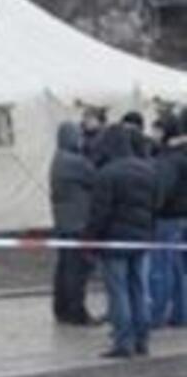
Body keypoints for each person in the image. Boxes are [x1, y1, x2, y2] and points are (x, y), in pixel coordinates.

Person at [90, 125, 157, 359]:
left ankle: (123, 342)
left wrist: (91, 239)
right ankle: (143, 340)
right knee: (139, 289)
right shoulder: (149, 170)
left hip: (115, 241)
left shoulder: (107, 174)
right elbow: (155, 205)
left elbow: (99, 213)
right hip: (142, 239)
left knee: (118, 292)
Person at [50, 122, 99, 326]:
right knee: (77, 271)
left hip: (63, 222)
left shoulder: (58, 159)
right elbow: (96, 177)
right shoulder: (75, 162)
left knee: (63, 268)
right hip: (78, 222)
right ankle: (76, 311)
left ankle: (61, 308)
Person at [147, 115, 187, 328]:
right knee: (179, 268)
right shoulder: (181, 155)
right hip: (182, 216)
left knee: (161, 267)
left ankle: (156, 314)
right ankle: (181, 313)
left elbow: (161, 191)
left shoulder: (169, 159)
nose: (153, 134)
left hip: (168, 218)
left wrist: (153, 209)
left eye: (156, 130)